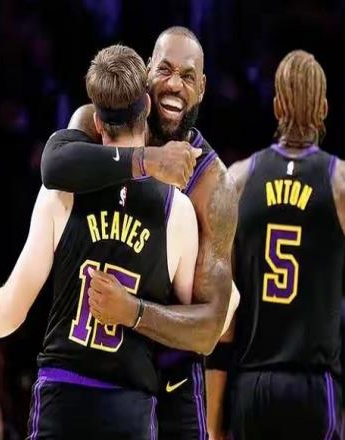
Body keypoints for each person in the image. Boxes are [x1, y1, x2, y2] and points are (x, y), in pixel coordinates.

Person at [0, 44, 202, 439]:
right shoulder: (178, 211)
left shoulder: (61, 194)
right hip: (130, 407)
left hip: (62, 399)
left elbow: (11, 310)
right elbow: (184, 331)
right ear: (148, 108)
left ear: (96, 121)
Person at [206, 50, 345, 440]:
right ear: (324, 108)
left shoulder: (237, 181)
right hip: (312, 389)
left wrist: (214, 419)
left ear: (276, 107)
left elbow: (224, 315)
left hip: (253, 386)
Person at [40, 26, 238, 439]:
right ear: (147, 73)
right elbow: (54, 167)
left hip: (172, 377)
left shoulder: (212, 186)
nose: (174, 84)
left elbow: (209, 328)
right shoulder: (102, 121)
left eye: (187, 76)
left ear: (202, 88)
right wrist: (146, 160)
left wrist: (133, 311)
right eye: (165, 70)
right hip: (100, 366)